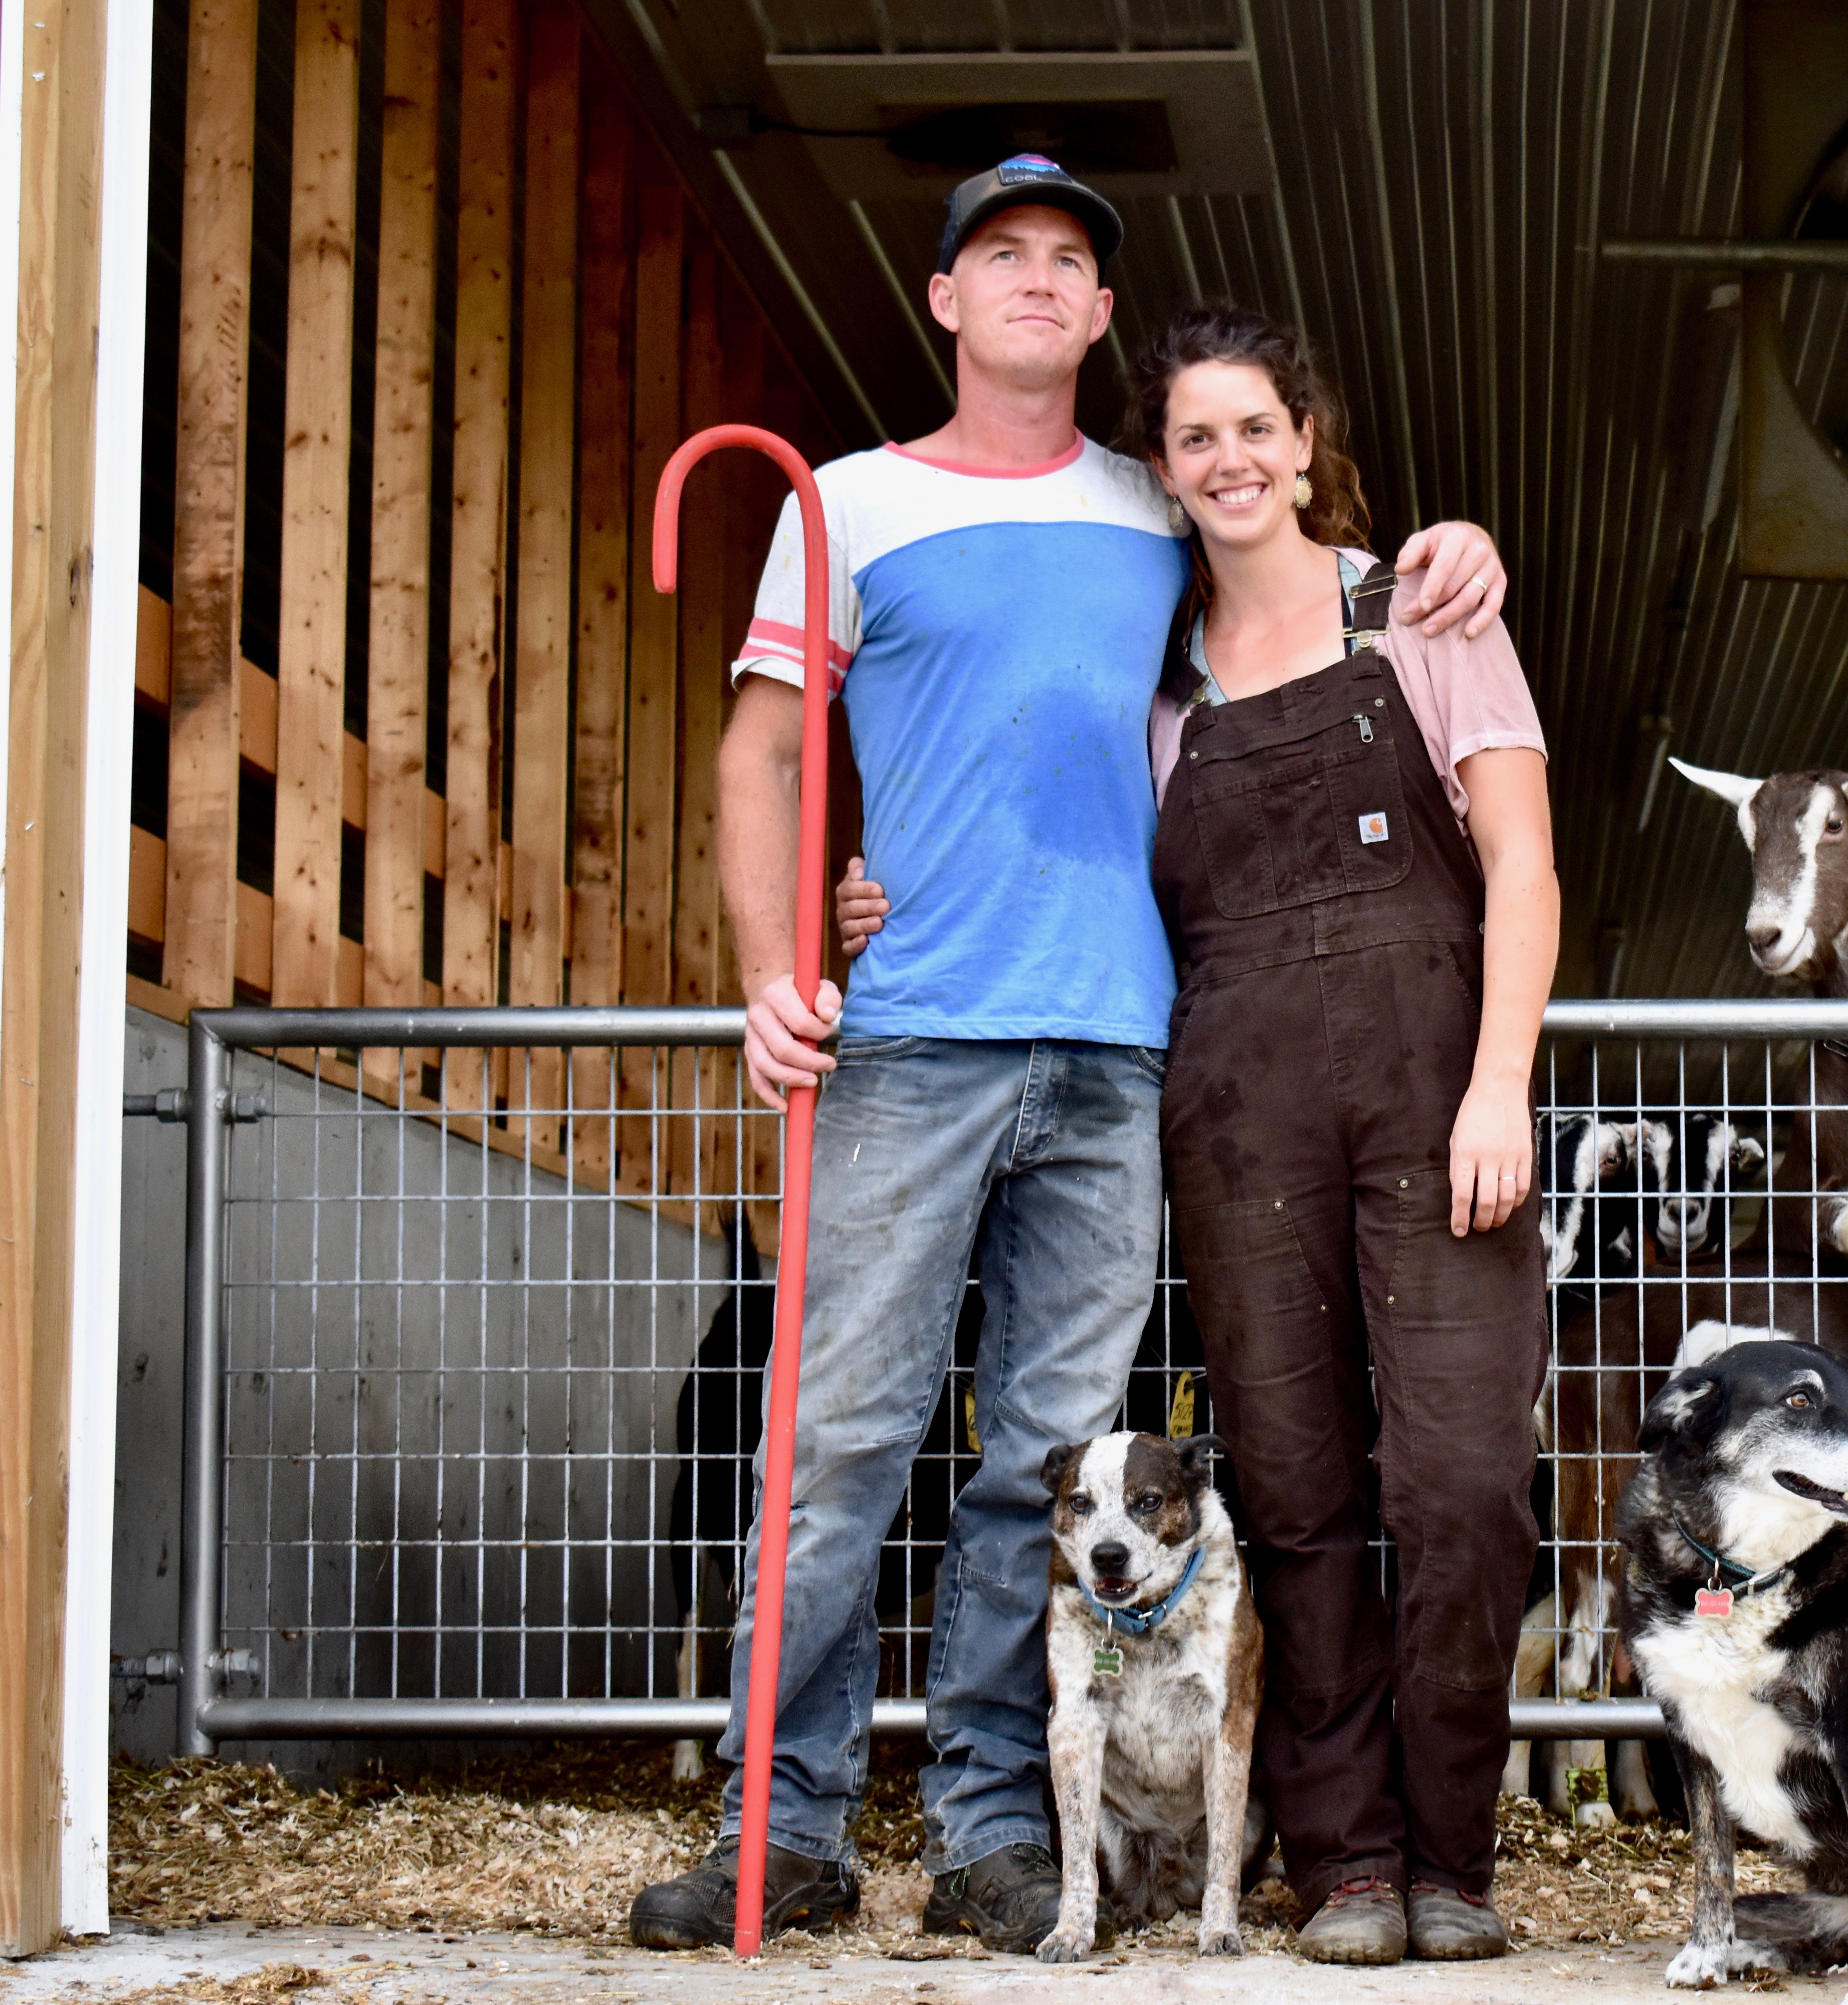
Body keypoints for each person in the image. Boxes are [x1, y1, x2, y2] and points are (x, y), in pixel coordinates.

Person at [625, 155, 1509, 1954]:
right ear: (944, 299)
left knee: (1042, 1466)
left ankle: (991, 1829)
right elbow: (759, 759)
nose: (1037, 280)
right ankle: (779, 1829)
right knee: (842, 1442)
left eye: (1071, 262)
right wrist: (781, 960)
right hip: (914, 1039)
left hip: (1122, 1056)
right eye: (999, 256)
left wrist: (1457, 545)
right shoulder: (845, 506)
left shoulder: (1158, 506)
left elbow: (1307, 570)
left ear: (1102, 316)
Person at [839, 301, 1557, 1965]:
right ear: (1161, 473)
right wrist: (877, 900)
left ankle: (1456, 1859)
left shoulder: (1426, 615)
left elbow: (1522, 863)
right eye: (1194, 439)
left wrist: (1501, 1082)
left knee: (1458, 1483)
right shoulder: (1153, 691)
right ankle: (1348, 1869)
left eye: (1256, 428)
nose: (1231, 461)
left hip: (1442, 1102)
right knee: (1296, 1497)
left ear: (1304, 443)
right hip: (1236, 1122)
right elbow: (1033, 832)